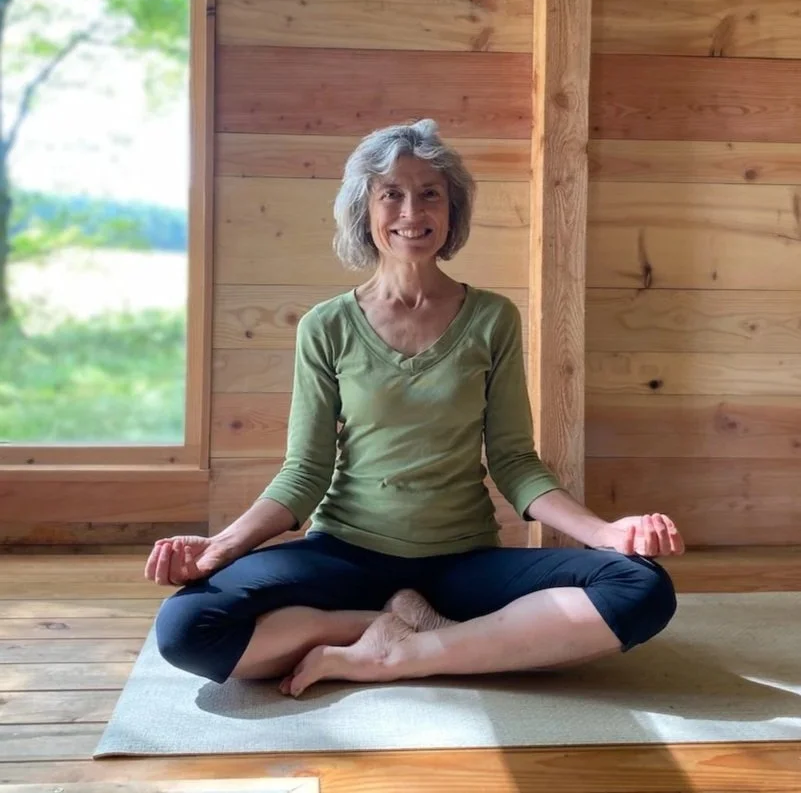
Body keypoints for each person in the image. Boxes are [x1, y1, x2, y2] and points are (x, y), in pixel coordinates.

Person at [146, 118, 683, 699]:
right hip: (344, 557)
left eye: (431, 193)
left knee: (640, 587)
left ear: (452, 210)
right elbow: (304, 473)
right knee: (185, 629)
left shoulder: (491, 318)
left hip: (461, 562)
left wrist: (604, 533)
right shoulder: (325, 327)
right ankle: (382, 628)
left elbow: (514, 462)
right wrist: (220, 547)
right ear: (365, 210)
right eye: (391, 194)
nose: (412, 210)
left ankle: (405, 653)